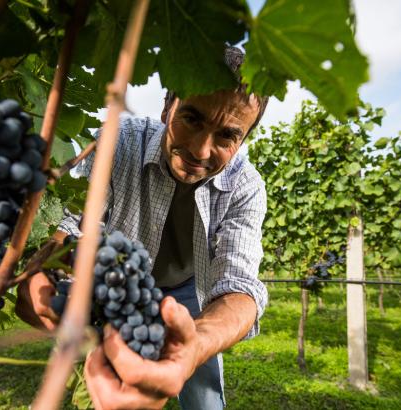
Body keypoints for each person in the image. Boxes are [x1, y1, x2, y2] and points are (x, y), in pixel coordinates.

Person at [16, 46, 269, 410]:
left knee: (204, 396)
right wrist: (41, 269)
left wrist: (196, 344)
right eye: (192, 119)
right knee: (80, 375)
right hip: (119, 285)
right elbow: (75, 228)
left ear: (242, 140)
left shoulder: (246, 187)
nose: (200, 150)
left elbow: (240, 287)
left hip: (188, 296)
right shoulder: (117, 142)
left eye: (227, 136)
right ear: (168, 105)